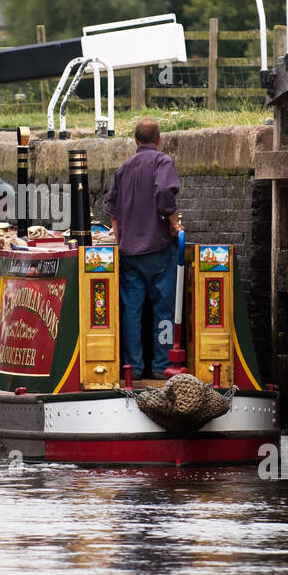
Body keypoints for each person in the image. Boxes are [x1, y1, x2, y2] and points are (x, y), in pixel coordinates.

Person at [105, 117, 182, 379]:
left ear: (135, 141)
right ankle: (161, 366)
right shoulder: (163, 161)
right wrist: (173, 224)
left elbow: (111, 208)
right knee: (164, 310)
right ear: (159, 140)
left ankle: (133, 368)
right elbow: (164, 193)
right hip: (158, 250)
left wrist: (120, 237)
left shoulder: (123, 168)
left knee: (132, 312)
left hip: (129, 253)